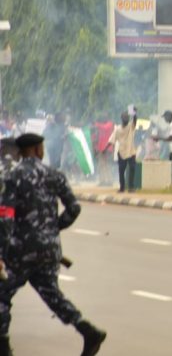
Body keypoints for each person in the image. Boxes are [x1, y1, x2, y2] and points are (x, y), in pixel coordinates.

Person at [0, 134, 106, 356]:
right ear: (38, 150)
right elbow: (74, 208)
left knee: (2, 295)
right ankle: (87, 330)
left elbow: (6, 217)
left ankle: (3, 346)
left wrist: (2, 251)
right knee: (53, 295)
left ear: (20, 153)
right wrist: (53, 228)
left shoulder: (13, 177)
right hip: (50, 250)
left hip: (20, 251)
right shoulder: (55, 175)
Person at [108, 108, 137, 193]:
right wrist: (105, 149)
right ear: (121, 119)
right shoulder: (117, 129)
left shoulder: (131, 126)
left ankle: (131, 187)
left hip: (131, 151)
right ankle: (122, 187)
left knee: (132, 168)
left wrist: (134, 113)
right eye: (124, 118)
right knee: (121, 170)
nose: (126, 120)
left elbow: (135, 120)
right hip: (121, 152)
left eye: (127, 118)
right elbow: (111, 140)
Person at [92, 114, 114, 187]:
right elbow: (96, 136)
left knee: (107, 165)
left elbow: (105, 128)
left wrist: (97, 124)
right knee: (101, 165)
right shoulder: (100, 126)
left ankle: (109, 180)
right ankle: (103, 180)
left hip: (108, 148)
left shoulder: (110, 124)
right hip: (101, 148)